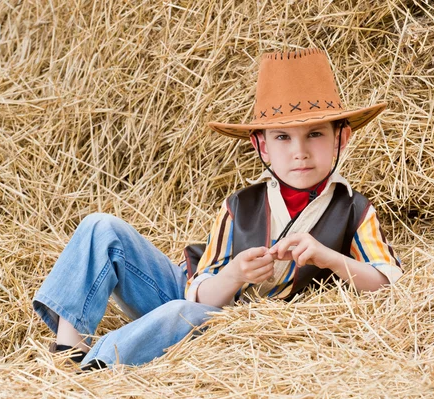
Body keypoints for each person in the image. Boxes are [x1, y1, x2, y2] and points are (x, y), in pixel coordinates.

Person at [32, 48, 402, 370]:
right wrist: (236, 274)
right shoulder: (241, 205)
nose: (299, 151)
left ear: (342, 136)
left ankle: (100, 363)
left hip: (218, 321)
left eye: (316, 134)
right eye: (283, 137)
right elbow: (198, 291)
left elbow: (385, 283)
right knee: (102, 227)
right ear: (262, 147)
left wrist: (329, 258)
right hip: (194, 293)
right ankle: (69, 349)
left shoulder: (354, 209)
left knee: (187, 317)